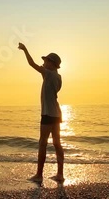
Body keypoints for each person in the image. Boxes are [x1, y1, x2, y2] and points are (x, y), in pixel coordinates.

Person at [18, 42, 64, 183]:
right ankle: (60, 175)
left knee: (42, 143)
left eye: (46, 61)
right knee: (57, 143)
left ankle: (39, 175)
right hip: (57, 113)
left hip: (48, 113)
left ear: (52, 64)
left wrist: (25, 49)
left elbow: (32, 63)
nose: (43, 63)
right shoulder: (58, 77)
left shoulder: (48, 74)